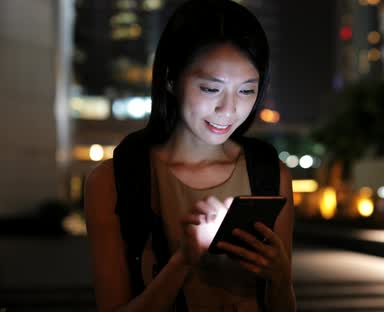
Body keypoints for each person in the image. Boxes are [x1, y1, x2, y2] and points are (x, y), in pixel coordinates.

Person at [84, 0, 296, 311]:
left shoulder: (270, 174)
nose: (229, 110)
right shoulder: (111, 182)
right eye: (211, 89)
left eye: (246, 90)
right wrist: (183, 260)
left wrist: (280, 278)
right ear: (171, 78)